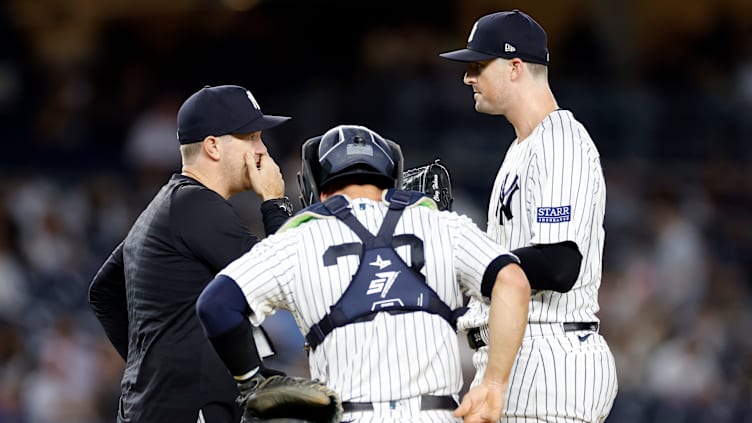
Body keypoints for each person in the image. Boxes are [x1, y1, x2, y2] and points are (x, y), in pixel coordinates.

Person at [194, 124, 531, 422]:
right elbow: (513, 280)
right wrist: (493, 383)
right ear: (391, 178)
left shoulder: (298, 239)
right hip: (437, 414)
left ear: (317, 187)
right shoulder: (442, 224)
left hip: (352, 413)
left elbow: (216, 305)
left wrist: (251, 379)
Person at [438, 10, 618, 422]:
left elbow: (559, 263)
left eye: (478, 65)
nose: (468, 77)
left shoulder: (560, 141)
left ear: (515, 67)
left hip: (549, 358)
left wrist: (467, 260)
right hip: (516, 354)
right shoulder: (523, 147)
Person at [88, 84, 296, 423]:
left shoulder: (170, 205)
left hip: (162, 404)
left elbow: (102, 292)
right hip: (184, 407)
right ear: (213, 146)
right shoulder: (195, 205)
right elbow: (286, 276)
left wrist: (153, 365)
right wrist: (275, 202)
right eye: (251, 137)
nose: (262, 150)